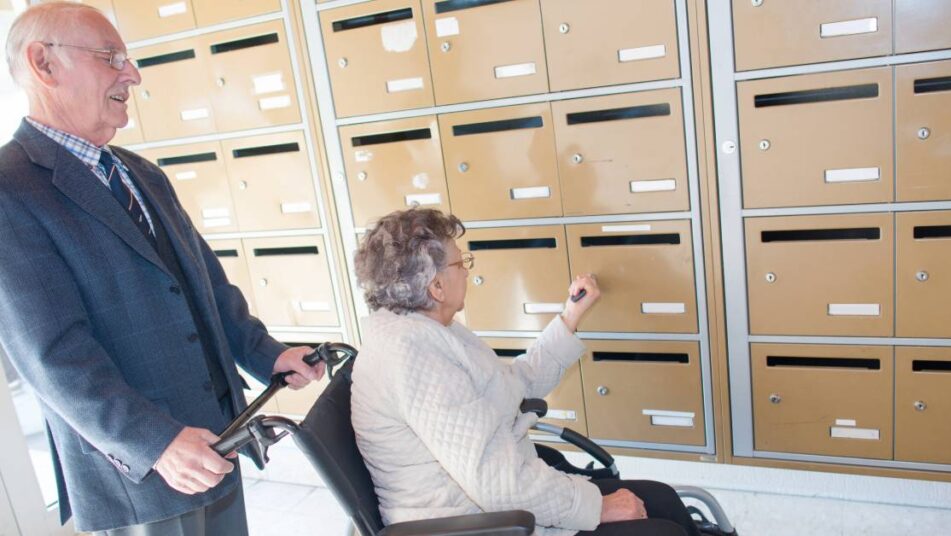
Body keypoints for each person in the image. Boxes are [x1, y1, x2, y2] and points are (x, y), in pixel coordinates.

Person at [0, 3, 324, 534]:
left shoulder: (139, 173)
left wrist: (267, 355)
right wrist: (155, 443)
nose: (132, 74)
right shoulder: (10, 188)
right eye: (111, 58)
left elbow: (204, 287)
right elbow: (53, 356)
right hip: (140, 471)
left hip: (216, 442)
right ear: (44, 64)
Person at [351, 208, 700, 536]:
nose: (468, 271)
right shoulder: (414, 356)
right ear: (436, 287)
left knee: (663, 501)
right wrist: (598, 506)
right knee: (664, 528)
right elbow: (497, 485)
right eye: (461, 263)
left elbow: (512, 385)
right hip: (477, 523)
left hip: (495, 500)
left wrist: (569, 318)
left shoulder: (430, 331)